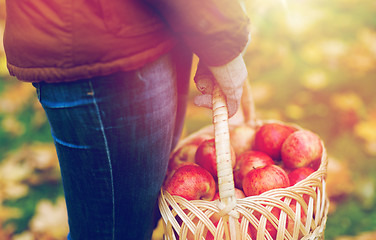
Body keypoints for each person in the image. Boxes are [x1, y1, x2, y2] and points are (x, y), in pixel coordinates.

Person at [3, 0, 250, 239]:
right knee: (115, 232)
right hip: (101, 37)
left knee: (136, 222)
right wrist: (221, 35)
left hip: (146, 22)